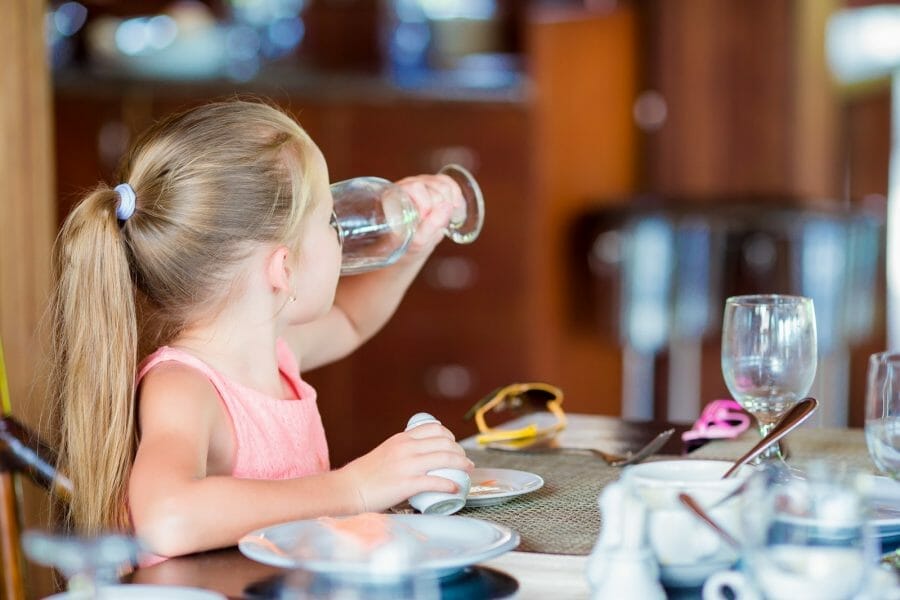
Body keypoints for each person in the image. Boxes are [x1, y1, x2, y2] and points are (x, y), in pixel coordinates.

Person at [47, 99, 473, 558]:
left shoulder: (275, 353)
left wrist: (413, 246)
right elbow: (166, 519)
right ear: (284, 270)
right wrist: (354, 487)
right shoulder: (183, 387)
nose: (342, 235)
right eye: (330, 221)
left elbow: (352, 321)